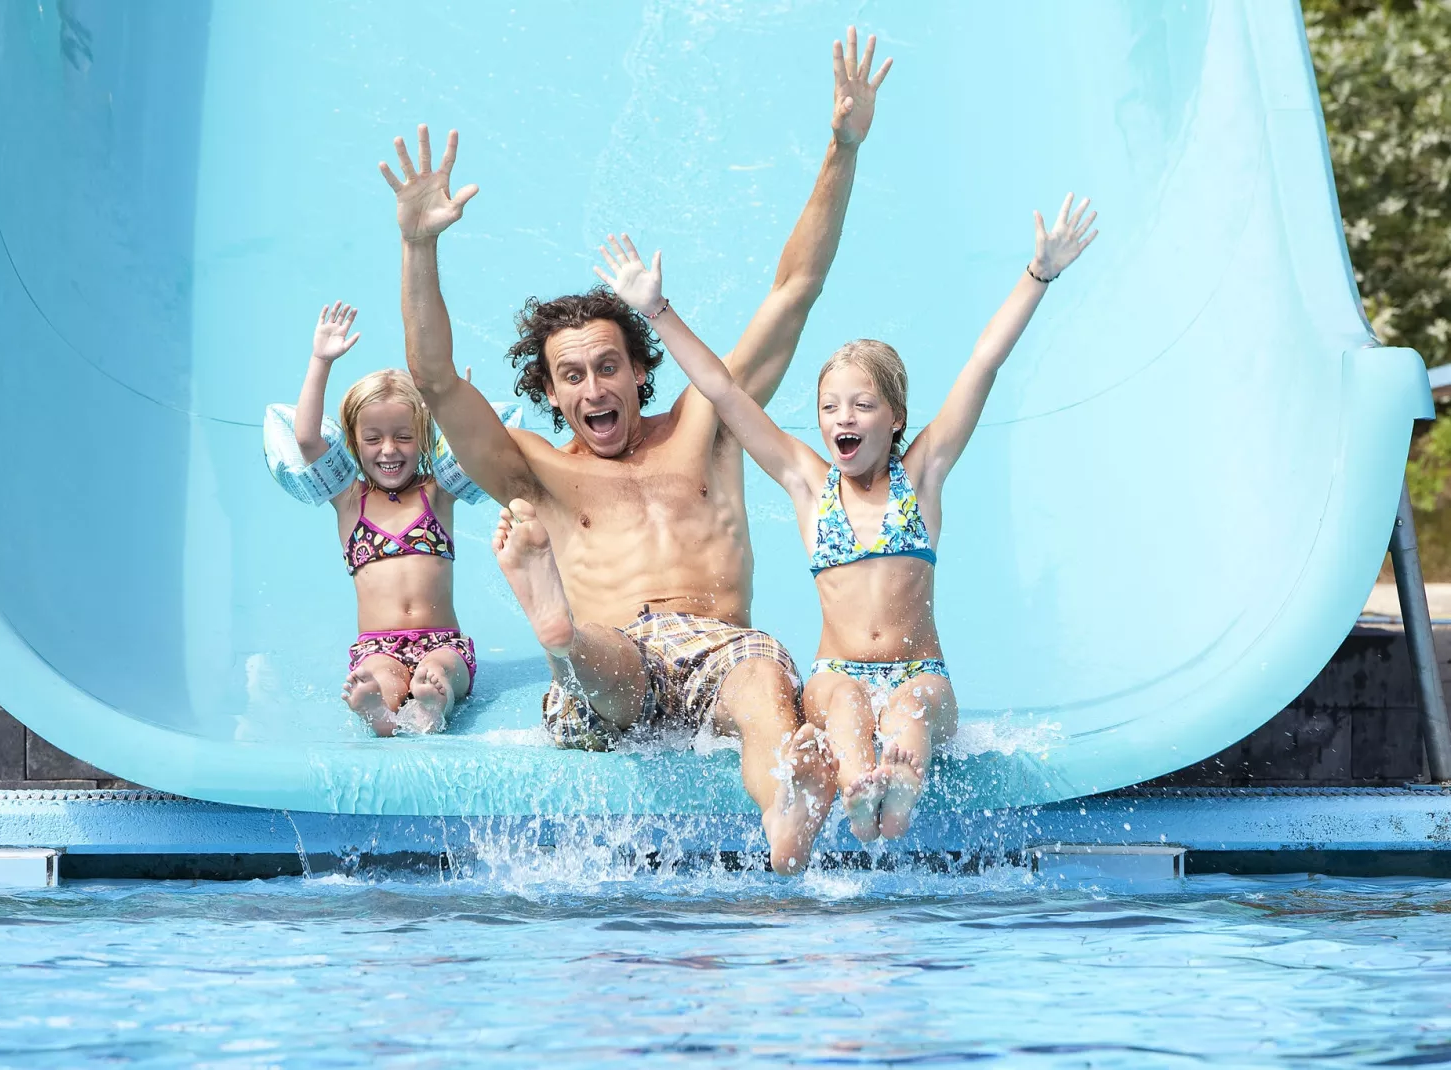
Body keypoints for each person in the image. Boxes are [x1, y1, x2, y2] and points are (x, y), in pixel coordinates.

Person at [380, 29, 892, 874]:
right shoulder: (534, 470)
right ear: (549, 392)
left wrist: (842, 146)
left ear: (640, 369)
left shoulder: (709, 423)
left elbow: (795, 289)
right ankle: (557, 632)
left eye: (608, 367)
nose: (593, 391)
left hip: (719, 649)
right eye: (572, 376)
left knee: (767, 687)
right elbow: (433, 379)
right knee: (598, 661)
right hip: (613, 652)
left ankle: (788, 824)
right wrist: (418, 244)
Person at [589, 194, 1098, 841]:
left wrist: (1038, 276)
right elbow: (723, 391)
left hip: (921, 672)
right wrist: (656, 309)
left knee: (911, 713)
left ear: (897, 418)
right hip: (838, 674)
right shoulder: (810, 485)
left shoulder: (922, 476)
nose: (844, 418)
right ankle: (861, 788)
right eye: (831, 407)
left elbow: (983, 364)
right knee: (847, 708)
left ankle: (899, 791)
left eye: (862, 404)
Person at [292, 302, 474, 736]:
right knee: (379, 677)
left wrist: (459, 407)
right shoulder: (349, 500)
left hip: (442, 639)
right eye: (373, 439)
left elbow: (473, 448)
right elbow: (306, 438)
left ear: (423, 437)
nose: (388, 450)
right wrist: (321, 360)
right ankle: (380, 711)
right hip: (379, 645)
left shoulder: (437, 494)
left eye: (404, 437)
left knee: (442, 671)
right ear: (354, 444)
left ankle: (434, 704)